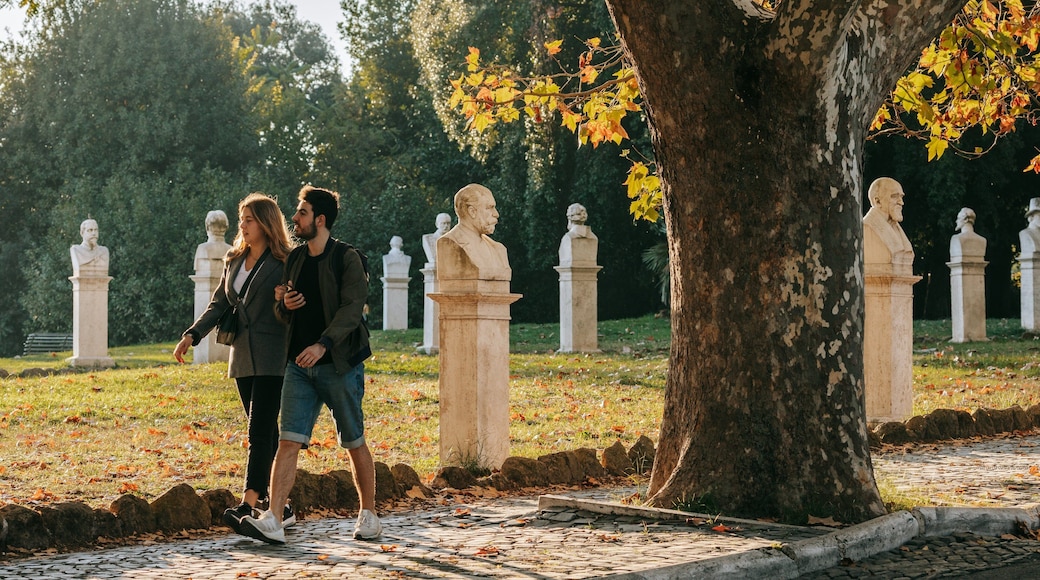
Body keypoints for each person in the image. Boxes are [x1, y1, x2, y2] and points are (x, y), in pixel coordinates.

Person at [238, 185, 379, 544]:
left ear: (320, 219)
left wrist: (323, 344)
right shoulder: (296, 259)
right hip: (299, 366)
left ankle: (369, 514)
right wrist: (286, 303)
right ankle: (273, 519)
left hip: (339, 364)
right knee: (287, 441)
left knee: (353, 439)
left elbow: (352, 310)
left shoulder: (347, 258)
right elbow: (283, 311)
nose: (294, 219)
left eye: (301, 213)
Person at [173, 193, 295, 533]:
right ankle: (282, 505)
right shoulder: (233, 259)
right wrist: (192, 335)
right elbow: (219, 304)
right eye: (241, 218)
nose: (242, 224)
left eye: (248, 219)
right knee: (267, 433)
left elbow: (294, 310)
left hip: (273, 355)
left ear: (266, 222)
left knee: (259, 433)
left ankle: (248, 503)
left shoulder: (285, 261)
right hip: (241, 355)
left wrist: (283, 300)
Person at [437, 184, 510, 280]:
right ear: (472, 212)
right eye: (490, 207)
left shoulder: (499, 249)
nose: (496, 214)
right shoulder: (449, 243)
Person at [862, 177, 914, 271]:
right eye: (894, 196)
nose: (901, 202)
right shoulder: (866, 228)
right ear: (877, 201)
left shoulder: (895, 226)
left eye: (901, 197)